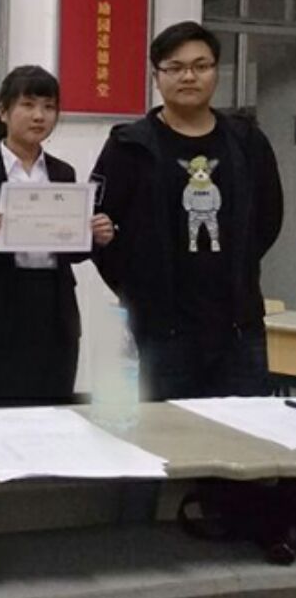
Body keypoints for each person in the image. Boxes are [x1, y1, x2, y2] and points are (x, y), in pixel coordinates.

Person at [91, 20, 283, 400]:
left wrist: (240, 264)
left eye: (201, 66)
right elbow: (98, 230)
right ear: (156, 77)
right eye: (175, 67)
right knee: (169, 432)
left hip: (238, 328)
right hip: (162, 331)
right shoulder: (129, 147)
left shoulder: (247, 141)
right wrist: (137, 289)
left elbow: (268, 218)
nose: (189, 76)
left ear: (215, 72)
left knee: (243, 430)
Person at [0, 66, 114, 407]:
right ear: (3, 111)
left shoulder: (63, 173)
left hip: (54, 310)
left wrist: (95, 236)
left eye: (49, 107)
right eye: (28, 105)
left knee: (55, 413)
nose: (39, 116)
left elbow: (73, 252)